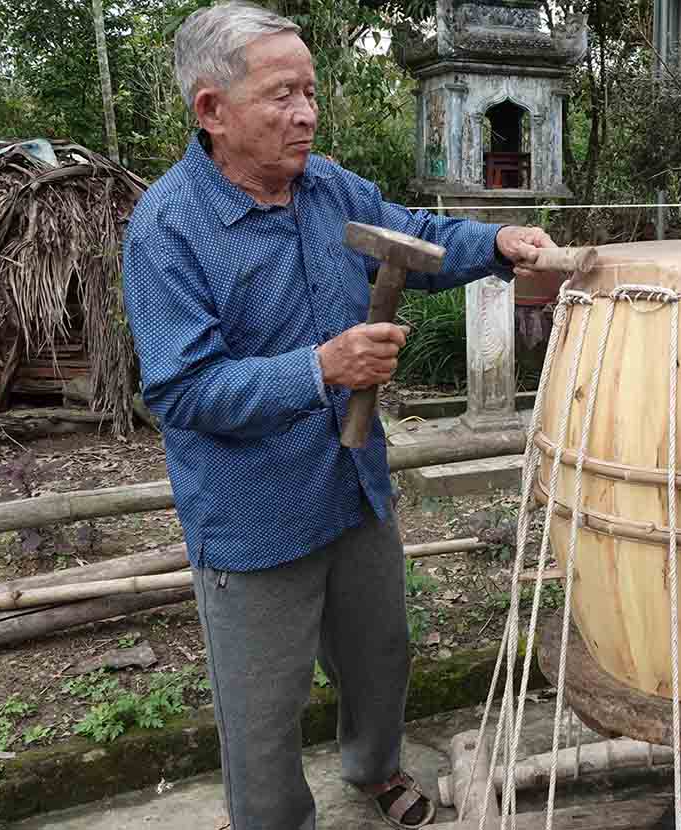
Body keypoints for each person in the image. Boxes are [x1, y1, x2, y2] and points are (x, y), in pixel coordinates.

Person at [121, 3, 558, 828]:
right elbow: (182, 391)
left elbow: (418, 239)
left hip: (352, 487)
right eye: (282, 94)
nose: (307, 112)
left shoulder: (330, 189)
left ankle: (375, 769)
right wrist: (319, 368)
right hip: (254, 515)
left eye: (311, 92)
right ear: (211, 110)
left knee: (378, 659)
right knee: (262, 711)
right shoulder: (169, 230)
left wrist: (495, 241)